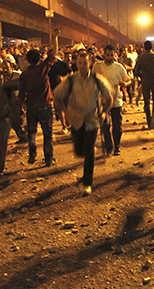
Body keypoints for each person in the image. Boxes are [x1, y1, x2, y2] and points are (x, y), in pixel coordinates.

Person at [53, 52, 113, 196]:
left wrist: (104, 112)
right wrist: (65, 112)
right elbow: (56, 96)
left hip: (92, 120)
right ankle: (85, 173)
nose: (82, 66)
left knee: (89, 152)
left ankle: (87, 182)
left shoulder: (97, 80)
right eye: (79, 63)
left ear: (90, 63)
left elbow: (109, 97)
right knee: (80, 151)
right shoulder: (70, 80)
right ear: (76, 64)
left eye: (84, 63)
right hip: (76, 120)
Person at [19, 48, 57, 166]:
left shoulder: (24, 75)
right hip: (45, 106)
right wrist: (55, 36)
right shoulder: (42, 68)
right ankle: (48, 159)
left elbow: (21, 94)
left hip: (31, 107)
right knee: (47, 134)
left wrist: (20, 108)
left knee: (32, 133)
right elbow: (53, 55)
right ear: (39, 58)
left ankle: (32, 154)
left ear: (28, 60)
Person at [93, 45, 131, 155]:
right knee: (105, 126)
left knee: (117, 127)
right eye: (107, 54)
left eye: (111, 55)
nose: (109, 57)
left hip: (116, 101)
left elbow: (129, 80)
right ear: (104, 54)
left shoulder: (119, 68)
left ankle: (117, 146)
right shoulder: (97, 66)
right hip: (102, 101)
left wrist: (125, 84)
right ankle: (109, 146)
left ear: (115, 55)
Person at [134, 40, 154, 129]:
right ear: (152, 47)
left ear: (143, 46)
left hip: (145, 81)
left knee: (146, 101)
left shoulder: (141, 57)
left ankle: (149, 121)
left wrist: (141, 76)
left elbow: (135, 70)